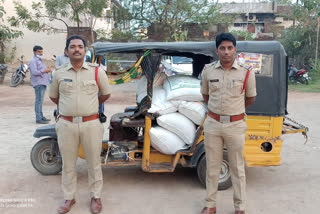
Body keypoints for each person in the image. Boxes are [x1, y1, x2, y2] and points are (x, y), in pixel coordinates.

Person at [49, 35, 111, 214]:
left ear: (85, 50)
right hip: (66, 125)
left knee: (93, 163)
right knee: (68, 164)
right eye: (73, 46)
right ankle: (69, 198)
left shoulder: (97, 71)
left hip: (91, 124)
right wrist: (68, 108)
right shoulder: (59, 72)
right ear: (67, 51)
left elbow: (105, 94)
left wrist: (89, 106)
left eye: (80, 46)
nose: (76, 49)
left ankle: (96, 197)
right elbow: (54, 97)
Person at [200, 33, 256, 214]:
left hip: (236, 125)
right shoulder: (208, 70)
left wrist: (234, 113)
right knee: (212, 167)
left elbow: (250, 98)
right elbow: (206, 96)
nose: (226, 52)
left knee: (237, 168)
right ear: (217, 50)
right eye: (222, 48)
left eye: (230, 48)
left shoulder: (246, 72)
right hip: (213, 124)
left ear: (235, 49)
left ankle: (240, 208)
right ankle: (210, 205)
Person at [29, 45, 52, 124]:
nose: (41, 53)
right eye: (39, 51)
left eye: (41, 51)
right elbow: (34, 72)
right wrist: (45, 71)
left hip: (43, 82)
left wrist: (46, 70)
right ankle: (38, 118)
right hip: (38, 83)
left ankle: (41, 116)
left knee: (40, 101)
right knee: (38, 101)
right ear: (34, 52)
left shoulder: (39, 60)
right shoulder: (33, 61)